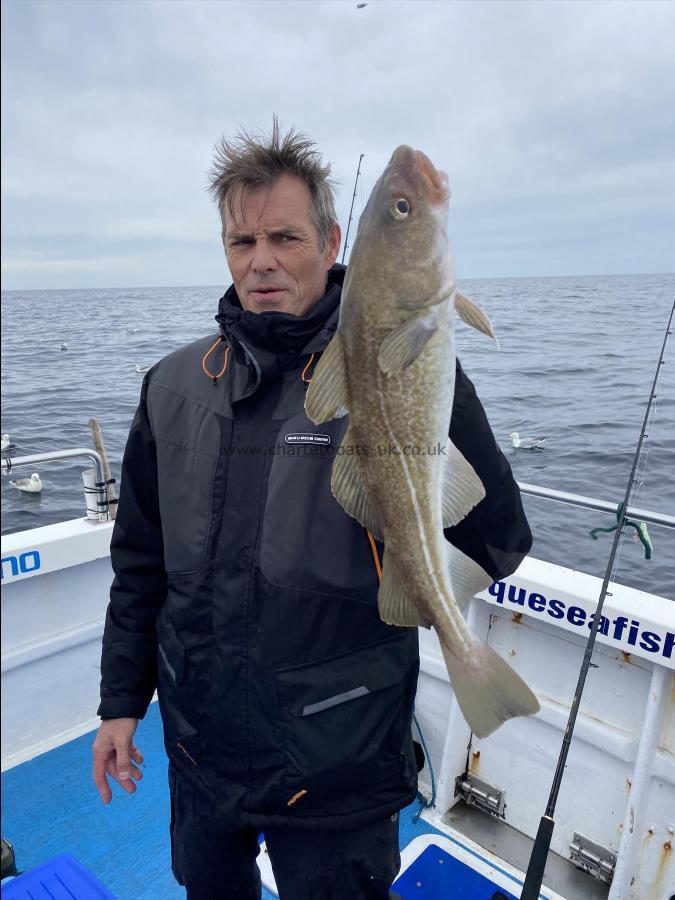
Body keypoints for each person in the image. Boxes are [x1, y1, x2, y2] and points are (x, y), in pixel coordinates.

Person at [92, 120, 532, 899]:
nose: (260, 261)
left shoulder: (386, 363)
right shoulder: (170, 388)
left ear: (333, 243)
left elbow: (496, 541)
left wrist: (429, 376)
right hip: (202, 758)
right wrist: (120, 705)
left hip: (337, 762)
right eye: (241, 241)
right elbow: (139, 566)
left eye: (285, 237)